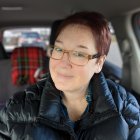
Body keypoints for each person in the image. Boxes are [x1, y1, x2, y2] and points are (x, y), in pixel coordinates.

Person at [0, 11, 140, 140]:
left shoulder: (125, 108)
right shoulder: (17, 109)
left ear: (99, 63)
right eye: (59, 49)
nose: (63, 63)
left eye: (79, 54)